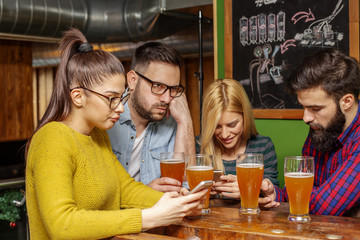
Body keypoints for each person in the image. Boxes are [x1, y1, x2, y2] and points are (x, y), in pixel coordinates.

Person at [25, 28, 206, 240]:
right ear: (78, 97)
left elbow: (125, 188)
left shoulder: (97, 136)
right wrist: (148, 217)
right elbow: (62, 225)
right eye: (111, 98)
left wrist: (176, 202)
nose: (120, 108)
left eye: (120, 98)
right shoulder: (52, 139)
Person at [260, 48, 360, 216]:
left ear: (347, 101)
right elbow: (301, 191)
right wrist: (276, 193)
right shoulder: (322, 126)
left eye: (315, 108)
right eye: (304, 107)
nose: (306, 117)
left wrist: (317, 197)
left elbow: (325, 208)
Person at [107, 42, 195, 193]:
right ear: (133, 80)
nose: (167, 99)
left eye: (173, 89)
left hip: (160, 215)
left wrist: (185, 120)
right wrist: (145, 193)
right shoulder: (106, 118)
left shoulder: (171, 119)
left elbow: (186, 183)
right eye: (158, 86)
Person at [200, 79, 279, 199]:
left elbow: (271, 193)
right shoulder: (199, 148)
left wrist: (248, 189)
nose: (225, 135)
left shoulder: (263, 146)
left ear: (245, 116)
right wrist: (202, 193)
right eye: (217, 127)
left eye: (232, 125)